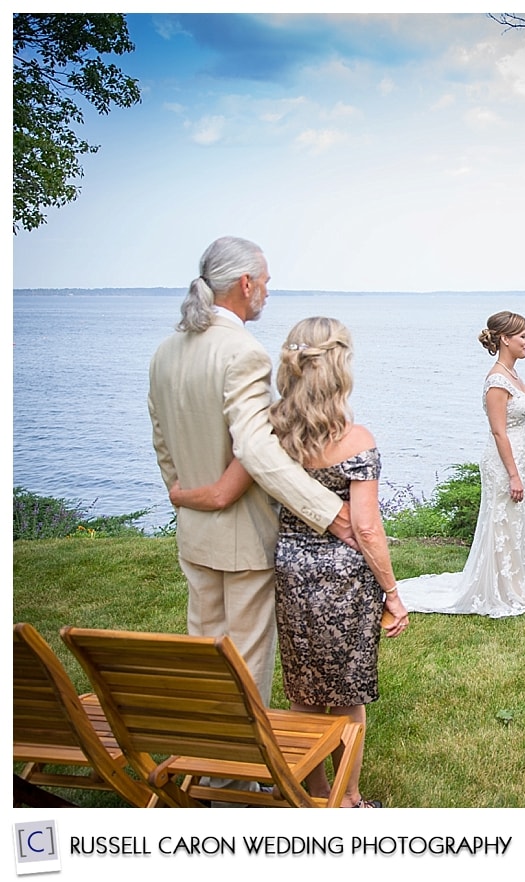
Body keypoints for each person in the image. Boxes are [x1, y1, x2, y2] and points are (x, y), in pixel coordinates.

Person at [171, 316, 409, 808]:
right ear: (340, 371)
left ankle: (316, 789)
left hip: (291, 571)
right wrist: (392, 592)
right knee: (348, 698)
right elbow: (366, 528)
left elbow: (223, 493)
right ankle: (348, 800)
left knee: (304, 690)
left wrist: (180, 492)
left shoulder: (272, 431)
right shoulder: (357, 439)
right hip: (344, 580)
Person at [148, 237, 354, 707]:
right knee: (246, 664)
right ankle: (239, 778)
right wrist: (327, 511)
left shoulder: (165, 351)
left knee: (207, 660)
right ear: (245, 284)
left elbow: (162, 439)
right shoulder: (243, 352)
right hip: (243, 540)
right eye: (265, 282)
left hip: (195, 533)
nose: (267, 291)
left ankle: (214, 765)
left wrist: (182, 494)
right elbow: (256, 448)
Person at [394, 311, 525, 617]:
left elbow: (519, 424)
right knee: (501, 521)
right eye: (523, 336)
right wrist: (512, 475)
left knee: (516, 523)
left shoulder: (515, 375)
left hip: (518, 455)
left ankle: (515, 585)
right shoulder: (496, 380)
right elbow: (498, 430)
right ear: (505, 339)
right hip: (502, 461)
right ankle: (496, 590)